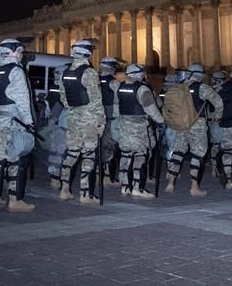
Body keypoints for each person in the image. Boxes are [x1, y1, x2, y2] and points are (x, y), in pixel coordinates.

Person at [0, 38, 37, 212]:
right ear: (14, 52)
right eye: (20, 51)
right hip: (14, 121)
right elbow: (23, 100)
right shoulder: (16, 71)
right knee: (16, 159)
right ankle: (15, 201)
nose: (22, 55)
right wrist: (29, 123)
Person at [163, 63, 222, 197]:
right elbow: (218, 102)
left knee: (178, 152)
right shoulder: (203, 88)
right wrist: (216, 117)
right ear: (200, 75)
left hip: (181, 125)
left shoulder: (179, 87)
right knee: (197, 154)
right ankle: (194, 186)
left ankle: (170, 183)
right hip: (197, 124)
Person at [58, 39, 105, 205]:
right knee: (88, 155)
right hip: (89, 117)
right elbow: (96, 99)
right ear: (88, 53)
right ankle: (85, 194)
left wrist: (73, 110)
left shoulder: (65, 72)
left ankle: (64, 189)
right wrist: (101, 121)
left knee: (71, 153)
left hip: (72, 116)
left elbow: (63, 97)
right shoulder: (89, 72)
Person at [116, 64, 164, 198]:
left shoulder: (120, 87)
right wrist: (161, 121)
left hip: (124, 125)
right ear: (139, 75)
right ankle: (138, 187)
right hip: (138, 127)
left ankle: (125, 186)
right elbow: (151, 109)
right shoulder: (142, 89)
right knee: (140, 156)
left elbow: (117, 107)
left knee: (126, 155)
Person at [98, 57, 121, 187]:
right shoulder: (114, 83)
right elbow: (117, 101)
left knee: (98, 146)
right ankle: (109, 178)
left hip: (97, 117)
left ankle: (98, 175)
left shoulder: (95, 80)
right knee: (110, 147)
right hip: (110, 118)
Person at [206, 70, 227, 178]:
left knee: (215, 146)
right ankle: (223, 168)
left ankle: (214, 168)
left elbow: (208, 108)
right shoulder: (225, 92)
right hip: (222, 121)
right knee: (225, 146)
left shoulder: (210, 92)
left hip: (213, 122)